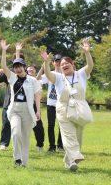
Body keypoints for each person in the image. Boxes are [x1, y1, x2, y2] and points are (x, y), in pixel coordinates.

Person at [40, 39, 94, 171]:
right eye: (62, 64)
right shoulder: (57, 77)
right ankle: (74, 158)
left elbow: (90, 66)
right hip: (63, 108)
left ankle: (68, 160)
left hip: (79, 107)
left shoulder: (81, 74)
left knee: (78, 135)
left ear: (72, 64)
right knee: (68, 135)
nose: (64, 66)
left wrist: (87, 53)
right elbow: (47, 74)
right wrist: (46, 62)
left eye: (66, 63)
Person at [0, 40, 41, 167]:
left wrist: (38, 110)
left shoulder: (32, 81)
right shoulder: (12, 77)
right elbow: (4, 66)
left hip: (28, 111)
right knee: (16, 133)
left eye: (19, 66)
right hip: (15, 110)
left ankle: (24, 162)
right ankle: (17, 159)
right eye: (15, 67)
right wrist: (4, 50)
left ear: (24, 67)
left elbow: (37, 95)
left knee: (25, 137)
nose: (17, 68)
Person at [0, 43, 24, 151]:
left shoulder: (24, 74)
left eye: (21, 60)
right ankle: (4, 143)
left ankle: (19, 144)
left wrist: (17, 51)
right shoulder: (9, 73)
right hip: (8, 102)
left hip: (21, 103)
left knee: (19, 126)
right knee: (6, 123)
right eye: (16, 60)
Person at [36, 54, 63, 153]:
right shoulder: (50, 73)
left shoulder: (65, 74)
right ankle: (52, 146)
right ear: (53, 63)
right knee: (51, 125)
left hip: (62, 104)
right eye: (56, 61)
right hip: (51, 103)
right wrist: (43, 66)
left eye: (60, 61)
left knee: (62, 125)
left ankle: (61, 145)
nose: (58, 63)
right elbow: (37, 79)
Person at [26, 65, 45, 153]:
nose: (31, 69)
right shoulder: (24, 79)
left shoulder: (38, 81)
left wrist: (42, 67)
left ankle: (40, 145)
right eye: (29, 67)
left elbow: (36, 79)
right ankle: (22, 146)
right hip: (25, 105)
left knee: (38, 127)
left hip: (35, 106)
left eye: (33, 68)